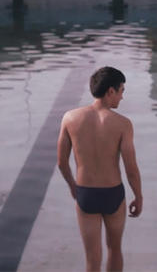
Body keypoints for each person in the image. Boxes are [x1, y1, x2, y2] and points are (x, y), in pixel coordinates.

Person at [57, 66, 143, 272]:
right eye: (121, 91)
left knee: (92, 259)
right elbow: (131, 168)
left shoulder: (70, 118)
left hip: (85, 193)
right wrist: (138, 196)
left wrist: (72, 185)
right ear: (110, 91)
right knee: (114, 250)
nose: (122, 97)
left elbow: (61, 161)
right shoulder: (122, 124)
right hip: (113, 192)